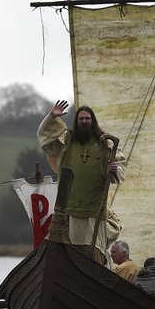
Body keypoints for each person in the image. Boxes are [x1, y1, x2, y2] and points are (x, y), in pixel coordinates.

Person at [38, 100, 127, 264]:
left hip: (95, 209)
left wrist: (114, 171)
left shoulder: (106, 144)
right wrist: (51, 117)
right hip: (68, 208)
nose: (84, 122)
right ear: (76, 121)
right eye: (81, 119)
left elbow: (120, 166)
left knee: (93, 251)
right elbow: (46, 139)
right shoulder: (66, 141)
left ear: (92, 122)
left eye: (87, 119)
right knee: (68, 248)